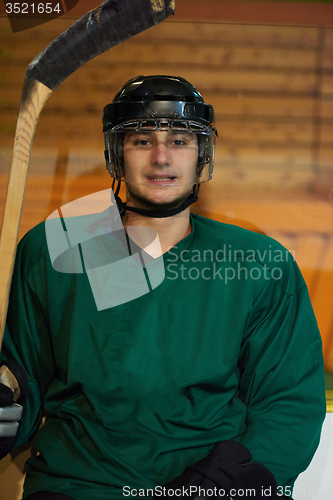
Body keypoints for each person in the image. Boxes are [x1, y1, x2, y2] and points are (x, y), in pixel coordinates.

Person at [0, 75, 326, 500]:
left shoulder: (259, 261)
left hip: (210, 487)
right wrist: (9, 408)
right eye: (141, 140)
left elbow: (288, 405)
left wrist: (228, 485)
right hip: (79, 486)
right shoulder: (54, 247)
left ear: (201, 154)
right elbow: (22, 375)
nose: (160, 157)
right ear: (117, 153)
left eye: (179, 141)